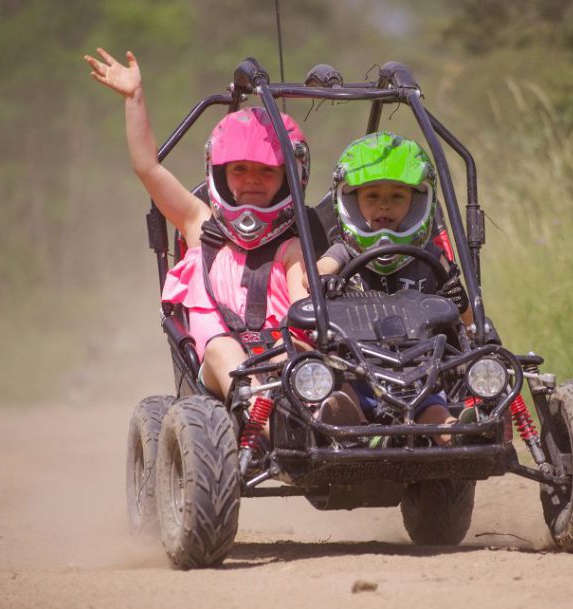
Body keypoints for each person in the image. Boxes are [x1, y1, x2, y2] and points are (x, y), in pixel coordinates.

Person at [84, 48, 311, 400]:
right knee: (223, 350)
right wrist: (134, 98)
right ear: (220, 173)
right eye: (239, 169)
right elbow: (148, 168)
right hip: (219, 371)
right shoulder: (199, 223)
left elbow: (304, 321)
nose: (252, 180)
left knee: (303, 358)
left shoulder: (293, 247)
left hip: (284, 368)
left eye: (266, 170)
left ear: (288, 178)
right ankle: (265, 425)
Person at [314, 132, 473, 442]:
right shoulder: (345, 251)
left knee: (436, 412)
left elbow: (468, 325)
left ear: (417, 203)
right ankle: (359, 432)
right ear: (351, 201)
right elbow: (314, 275)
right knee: (339, 389)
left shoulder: (431, 256)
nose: (384, 205)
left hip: (418, 377)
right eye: (372, 196)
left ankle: (456, 435)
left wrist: (458, 297)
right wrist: (324, 281)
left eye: (397, 197)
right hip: (355, 374)